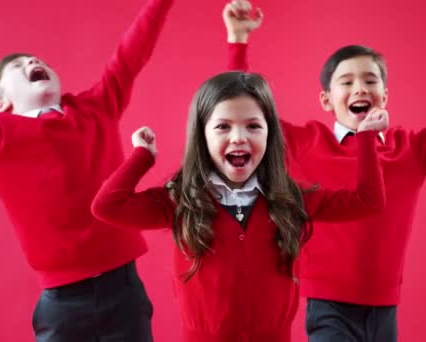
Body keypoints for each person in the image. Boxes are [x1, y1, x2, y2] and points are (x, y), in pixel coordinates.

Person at [222, 1, 426, 340]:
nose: (359, 88)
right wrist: (237, 39)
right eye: (346, 82)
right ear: (327, 100)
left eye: (369, 80)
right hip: (329, 306)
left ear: (384, 96)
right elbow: (245, 107)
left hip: (386, 310)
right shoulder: (306, 144)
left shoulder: (411, 150)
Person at [91, 71, 387, 341]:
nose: (239, 138)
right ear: (202, 136)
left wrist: (366, 139)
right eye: (222, 127)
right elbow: (107, 206)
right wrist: (141, 157)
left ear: (269, 134)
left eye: (253, 126)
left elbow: (369, 202)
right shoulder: (180, 199)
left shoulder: (292, 199)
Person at [0, 0, 175, 340]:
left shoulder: (97, 106)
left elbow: (132, 52)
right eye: (19, 66)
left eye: (37, 61)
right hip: (62, 303)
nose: (34, 61)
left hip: (124, 289)